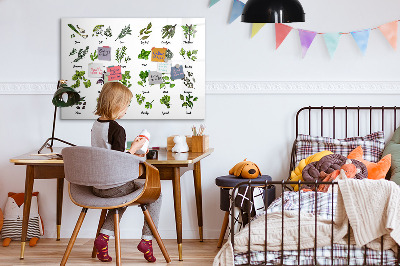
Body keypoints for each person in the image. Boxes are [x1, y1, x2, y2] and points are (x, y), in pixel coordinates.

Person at [91, 82, 161, 263]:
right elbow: (119, 161)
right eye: (126, 105)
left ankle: (103, 238)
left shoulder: (96, 125)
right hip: (114, 186)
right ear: (116, 104)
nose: (127, 109)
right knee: (156, 194)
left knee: (121, 197)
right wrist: (136, 148)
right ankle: (147, 240)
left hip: (97, 186)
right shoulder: (117, 129)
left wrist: (131, 149)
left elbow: (108, 154)